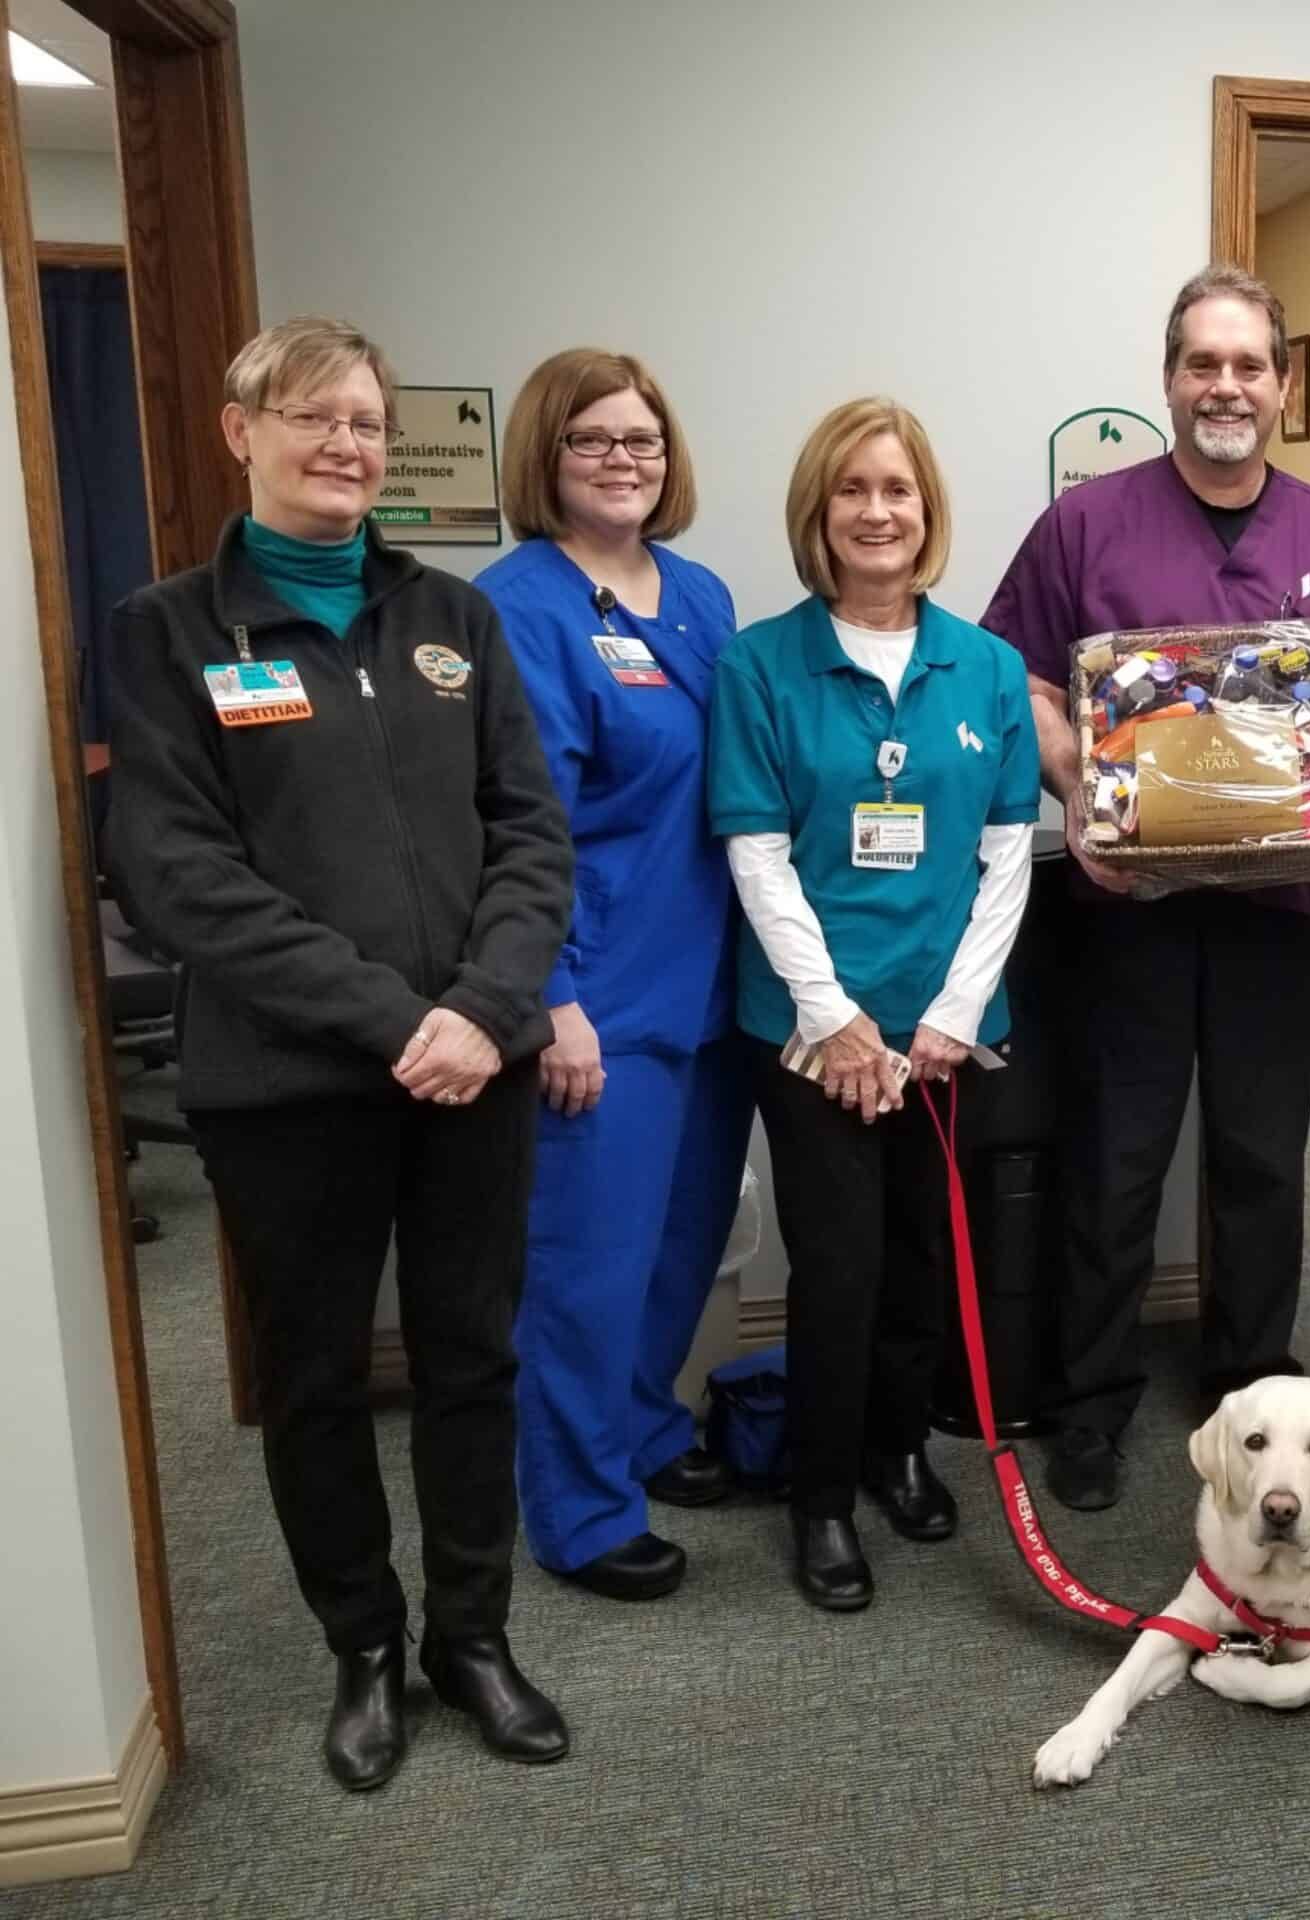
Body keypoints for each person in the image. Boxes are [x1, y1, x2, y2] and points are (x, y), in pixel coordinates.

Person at [104, 316, 573, 1790]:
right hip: (290, 1089)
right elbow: (176, 875)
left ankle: (472, 1638)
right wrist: (397, 1022)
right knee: (313, 1378)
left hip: (468, 1077)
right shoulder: (168, 631)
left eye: (366, 421)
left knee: (471, 1358)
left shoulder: (452, 618)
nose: (345, 445)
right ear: (239, 432)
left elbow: (530, 836)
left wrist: (485, 1012)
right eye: (310, 417)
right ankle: (362, 1648)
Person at [981, 264, 1310, 1510]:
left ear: (1282, 384)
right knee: (1114, 1160)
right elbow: (1028, 684)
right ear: (1168, 379)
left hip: (1274, 922)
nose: (1227, 386)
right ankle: (1092, 1399)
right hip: (1127, 913)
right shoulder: (1085, 524)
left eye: (1250, 365)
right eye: (1203, 363)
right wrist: (1082, 796)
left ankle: (1253, 1388)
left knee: (1265, 1162)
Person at [708, 397, 1040, 1611]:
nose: (877, 512)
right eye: (852, 490)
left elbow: (1007, 857)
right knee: (837, 1270)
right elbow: (756, 856)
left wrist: (952, 1015)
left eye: (896, 490)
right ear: (819, 512)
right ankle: (823, 1499)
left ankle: (900, 1447)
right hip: (810, 1037)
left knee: (918, 1265)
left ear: (926, 510)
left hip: (948, 1032)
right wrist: (835, 1020)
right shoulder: (758, 665)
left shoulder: (988, 667)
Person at [477, 349, 754, 1603]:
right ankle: (580, 1512)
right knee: (586, 1269)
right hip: (595, 997)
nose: (622, 460)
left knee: (685, 1242)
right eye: (592, 440)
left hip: (711, 987)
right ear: (546, 456)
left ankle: (644, 1429)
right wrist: (553, 1002)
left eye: (641, 439)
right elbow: (511, 825)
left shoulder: (698, 596)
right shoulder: (516, 607)